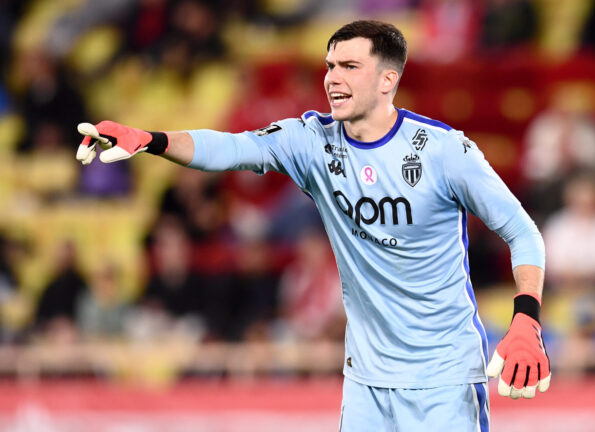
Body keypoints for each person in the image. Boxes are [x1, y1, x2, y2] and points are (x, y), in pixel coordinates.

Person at [75, 20, 549, 431]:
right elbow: (232, 148)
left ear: (388, 80)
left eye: (349, 67)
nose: (332, 79)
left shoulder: (445, 151)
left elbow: (522, 231)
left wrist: (526, 317)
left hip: (443, 379)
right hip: (366, 381)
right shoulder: (312, 141)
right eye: (329, 66)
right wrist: (150, 139)